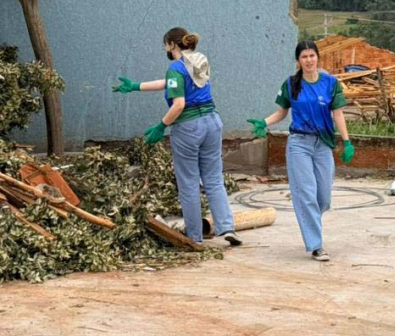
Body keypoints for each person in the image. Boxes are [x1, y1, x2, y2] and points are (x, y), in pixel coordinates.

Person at [112, 27, 240, 246]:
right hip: (212, 122)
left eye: (165, 46)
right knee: (213, 179)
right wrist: (136, 86)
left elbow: (179, 103)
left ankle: (194, 237)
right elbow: (170, 84)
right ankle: (227, 228)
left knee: (189, 182)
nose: (166, 50)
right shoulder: (199, 60)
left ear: (171, 45)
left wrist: (161, 126)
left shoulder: (175, 68)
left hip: (189, 128)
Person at [247, 40, 355, 261]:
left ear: (317, 57)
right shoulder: (291, 84)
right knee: (306, 194)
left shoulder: (331, 83)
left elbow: (338, 114)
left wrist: (347, 141)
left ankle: (312, 221)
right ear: (298, 61)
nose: (308, 60)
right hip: (299, 144)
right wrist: (264, 122)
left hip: (323, 144)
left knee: (323, 197)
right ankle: (316, 245)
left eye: (312, 56)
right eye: (304, 57)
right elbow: (281, 113)